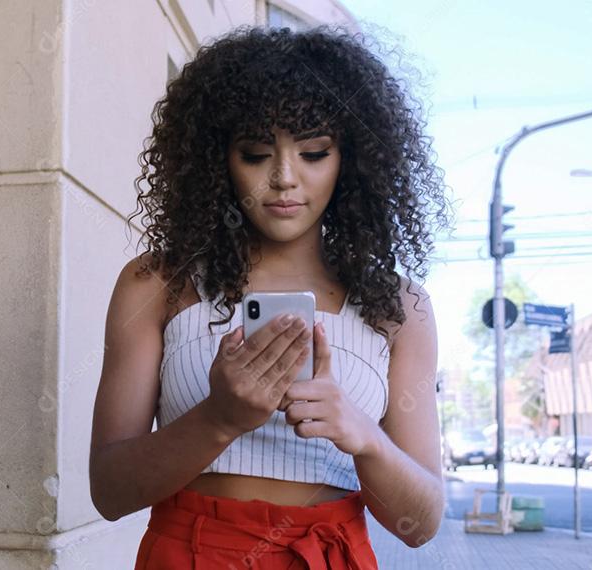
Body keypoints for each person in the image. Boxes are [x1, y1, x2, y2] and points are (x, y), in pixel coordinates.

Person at [89, 23, 450, 569]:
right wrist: (219, 418)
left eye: (314, 152)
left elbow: (420, 526)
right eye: (256, 153)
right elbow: (110, 493)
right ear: (217, 160)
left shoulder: (399, 308)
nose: (284, 177)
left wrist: (364, 437)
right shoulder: (159, 284)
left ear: (350, 160)